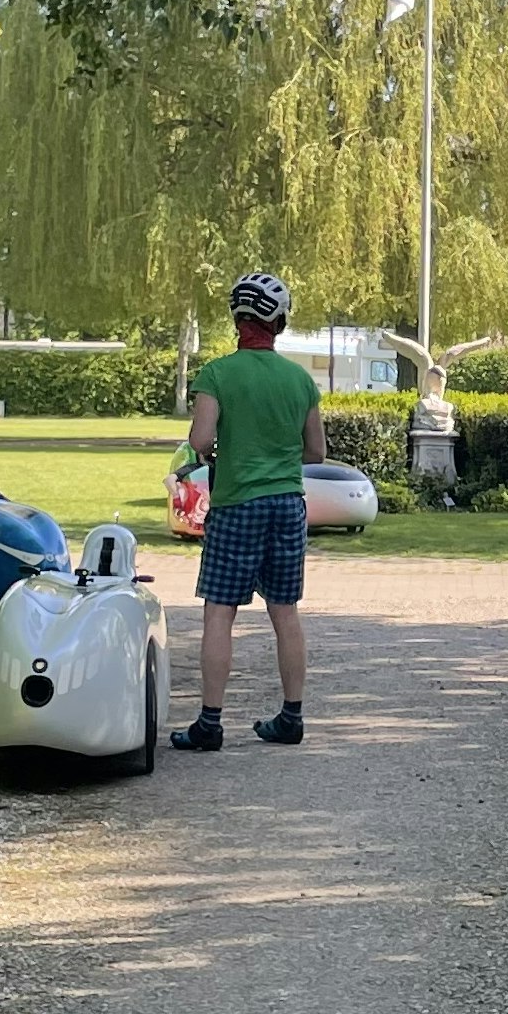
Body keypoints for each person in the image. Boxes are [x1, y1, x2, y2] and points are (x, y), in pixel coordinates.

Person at [174, 271, 326, 751]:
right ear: (278, 322)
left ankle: (210, 723)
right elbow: (316, 451)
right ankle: (292, 716)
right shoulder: (300, 380)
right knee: (285, 612)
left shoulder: (218, 374)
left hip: (237, 503)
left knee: (220, 613)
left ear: (238, 320)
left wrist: (228, 450)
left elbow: (199, 441)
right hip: (286, 505)